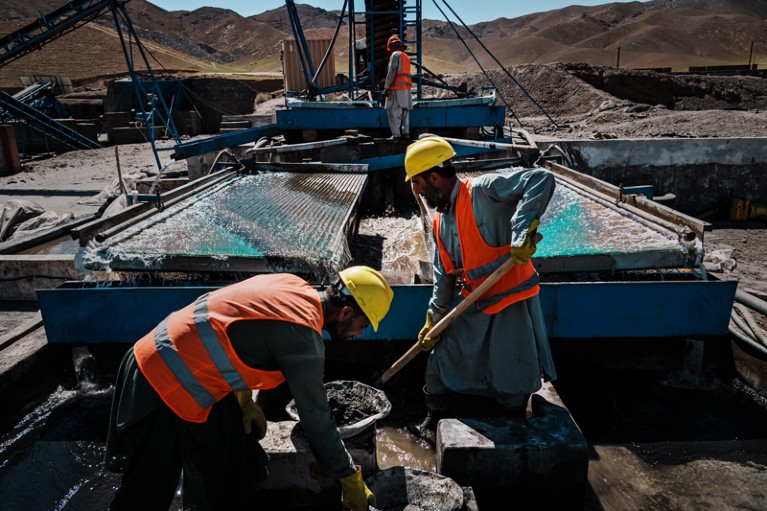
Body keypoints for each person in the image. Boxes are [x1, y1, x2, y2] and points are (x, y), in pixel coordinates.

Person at [105, 266, 393, 511]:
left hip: (177, 361)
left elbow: (234, 327)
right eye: (363, 324)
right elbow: (316, 418)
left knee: (233, 462)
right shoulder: (304, 338)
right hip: (161, 379)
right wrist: (348, 478)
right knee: (146, 494)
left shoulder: (293, 286)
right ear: (344, 313)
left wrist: (244, 401)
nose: (360, 334)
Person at [403, 135, 558, 445]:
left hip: (511, 297)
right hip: (475, 299)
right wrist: (433, 319)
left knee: (510, 373)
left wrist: (521, 230)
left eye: (418, 182)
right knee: (441, 354)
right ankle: (434, 418)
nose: (416, 190)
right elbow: (443, 277)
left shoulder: (484, 191)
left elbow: (541, 178)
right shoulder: (439, 222)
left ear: (434, 177)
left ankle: (513, 424)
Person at [383, 34, 413, 140]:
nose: (390, 50)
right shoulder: (406, 57)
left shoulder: (395, 55)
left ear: (393, 45)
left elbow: (392, 71)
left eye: (390, 47)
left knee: (393, 112)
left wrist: (386, 87)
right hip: (406, 91)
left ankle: (396, 136)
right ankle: (406, 133)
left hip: (396, 90)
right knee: (405, 112)